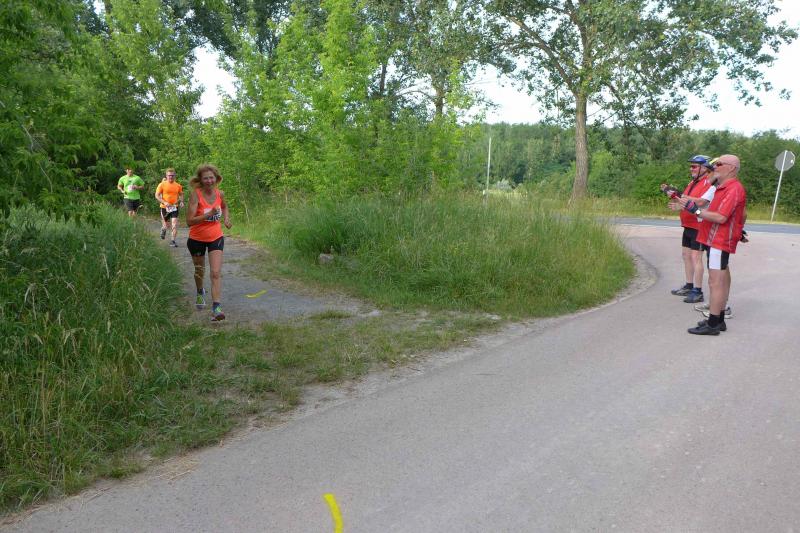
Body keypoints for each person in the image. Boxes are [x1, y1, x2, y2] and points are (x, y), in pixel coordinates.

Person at [679, 154, 747, 335]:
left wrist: (696, 211)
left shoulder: (734, 188)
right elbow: (741, 213)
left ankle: (713, 324)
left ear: (731, 168)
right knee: (719, 280)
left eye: (718, 164)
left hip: (719, 241)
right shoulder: (723, 187)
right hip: (713, 239)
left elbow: (721, 217)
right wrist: (739, 228)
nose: (714, 167)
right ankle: (719, 319)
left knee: (715, 282)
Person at [186, 164, 231, 322]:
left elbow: (224, 207)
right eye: (205, 178)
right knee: (200, 271)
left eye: (211, 177)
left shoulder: (220, 193)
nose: (209, 181)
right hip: (196, 239)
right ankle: (200, 291)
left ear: (216, 178)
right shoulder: (195, 195)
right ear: (201, 180)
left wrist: (226, 218)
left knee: (216, 273)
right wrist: (208, 214)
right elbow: (189, 221)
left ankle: (216, 308)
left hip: (215, 237)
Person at [668, 155, 716, 303]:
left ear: (704, 168)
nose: (691, 169)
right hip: (688, 224)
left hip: (699, 225)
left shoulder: (709, 182)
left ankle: (698, 290)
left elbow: (701, 203)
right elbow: (687, 202)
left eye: (694, 166)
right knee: (686, 255)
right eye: (691, 166)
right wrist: (676, 200)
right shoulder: (692, 182)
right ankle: (689, 286)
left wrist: (681, 195)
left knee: (696, 257)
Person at [155, 168, 184, 247]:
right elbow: (157, 195)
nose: (171, 177)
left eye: (172, 175)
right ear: (166, 176)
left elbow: (181, 194)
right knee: (166, 225)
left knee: (174, 223)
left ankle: (173, 240)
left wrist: (181, 201)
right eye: (169, 175)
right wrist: (164, 202)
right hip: (164, 207)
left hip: (174, 207)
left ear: (175, 176)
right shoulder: (162, 184)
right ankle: (163, 229)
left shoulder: (178, 185)